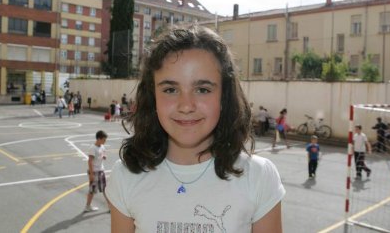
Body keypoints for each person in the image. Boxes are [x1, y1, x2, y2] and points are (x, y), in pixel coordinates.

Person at [106, 25, 285, 232]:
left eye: (202, 89)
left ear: (223, 98)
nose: (186, 105)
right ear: (153, 97)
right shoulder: (126, 176)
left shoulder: (258, 177)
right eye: (171, 89)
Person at [85, 130, 108, 212]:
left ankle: (110, 207)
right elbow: (90, 161)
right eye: (104, 140)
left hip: (101, 171)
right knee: (92, 190)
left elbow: (103, 153)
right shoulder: (93, 148)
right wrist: (91, 174)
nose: (105, 141)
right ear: (99, 139)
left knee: (105, 189)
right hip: (95, 172)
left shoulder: (102, 146)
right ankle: (87, 206)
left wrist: (104, 156)